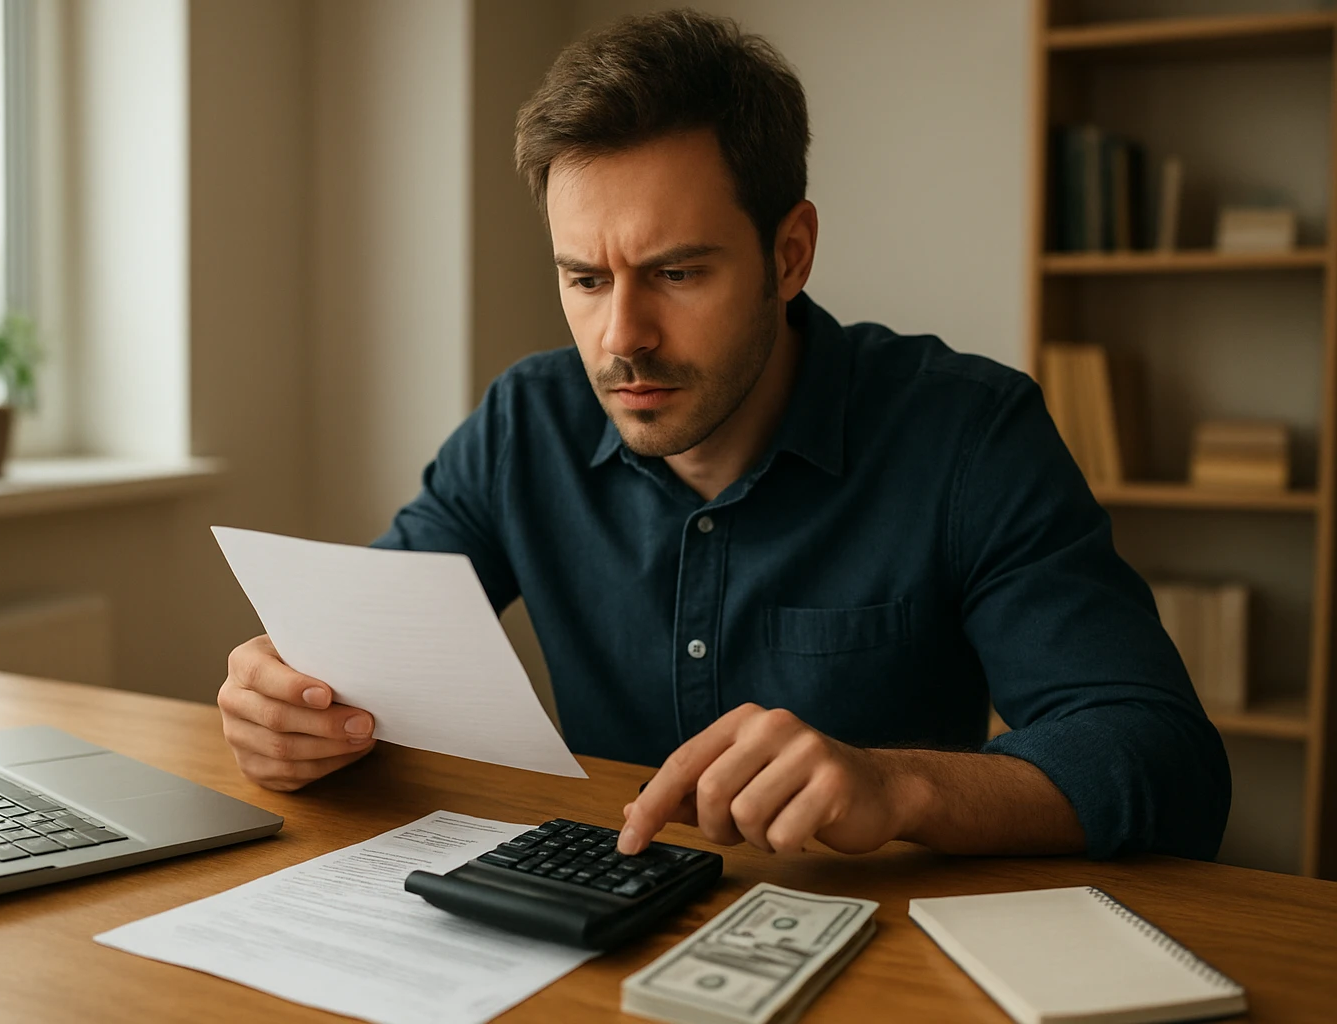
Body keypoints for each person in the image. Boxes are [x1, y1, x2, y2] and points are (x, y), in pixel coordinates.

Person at [218, 9, 1230, 862]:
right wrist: (293, 711)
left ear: (790, 254)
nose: (621, 338)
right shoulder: (525, 424)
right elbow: (359, 669)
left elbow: (1165, 761)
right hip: (591, 938)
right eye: (585, 279)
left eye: (676, 273)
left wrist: (894, 787)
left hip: (872, 952)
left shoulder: (968, 434)